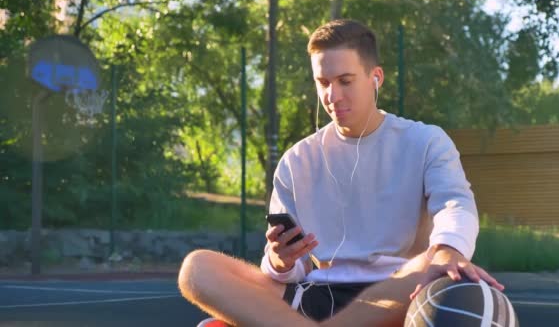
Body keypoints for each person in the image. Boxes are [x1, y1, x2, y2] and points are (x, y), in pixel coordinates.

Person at [178, 19, 502, 326]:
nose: (332, 96)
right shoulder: (297, 160)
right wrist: (281, 261)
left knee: (438, 262)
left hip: (397, 291)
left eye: (345, 81)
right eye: (323, 83)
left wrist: (449, 249)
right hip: (312, 296)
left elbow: (455, 204)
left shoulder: (425, 141)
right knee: (197, 269)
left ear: (376, 77)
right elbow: (289, 271)